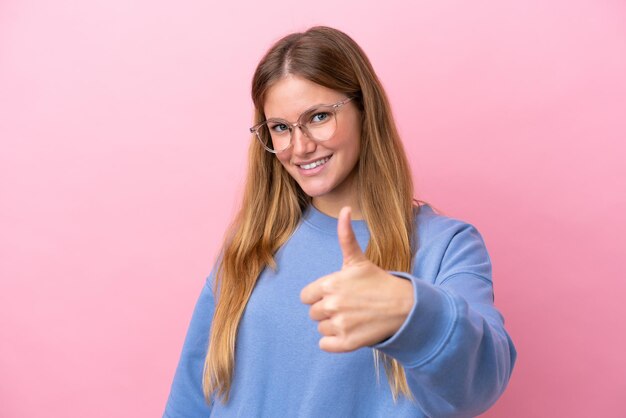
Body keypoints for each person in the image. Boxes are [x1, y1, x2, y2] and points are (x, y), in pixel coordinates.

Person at [163, 26, 516, 418]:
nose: (299, 146)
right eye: (280, 127)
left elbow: (482, 382)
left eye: (318, 117)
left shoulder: (445, 246)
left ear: (366, 110)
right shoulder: (248, 249)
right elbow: (191, 399)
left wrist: (409, 310)